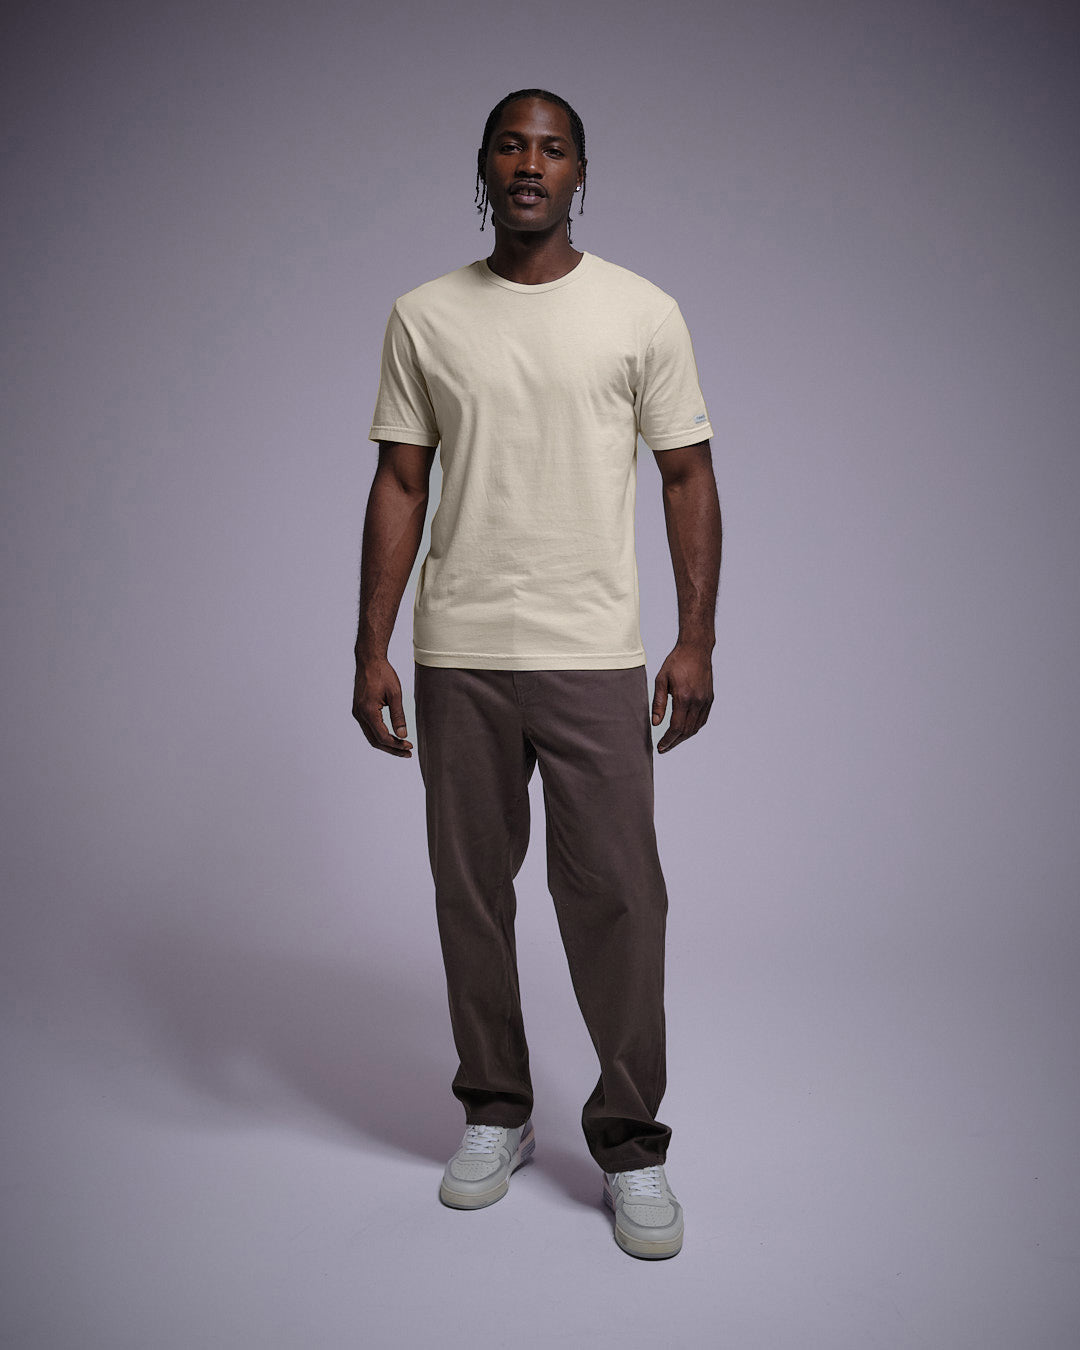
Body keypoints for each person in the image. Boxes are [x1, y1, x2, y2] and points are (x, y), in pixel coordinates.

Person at [352, 88, 721, 1260]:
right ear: (484, 167)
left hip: (593, 651)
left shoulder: (641, 312)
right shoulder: (425, 315)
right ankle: (496, 1109)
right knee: (470, 892)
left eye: (552, 148)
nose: (530, 163)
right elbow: (401, 481)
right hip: (460, 649)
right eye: (511, 145)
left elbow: (687, 476)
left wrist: (697, 639)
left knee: (620, 898)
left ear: (579, 174)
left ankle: (630, 1144)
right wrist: (369, 646)